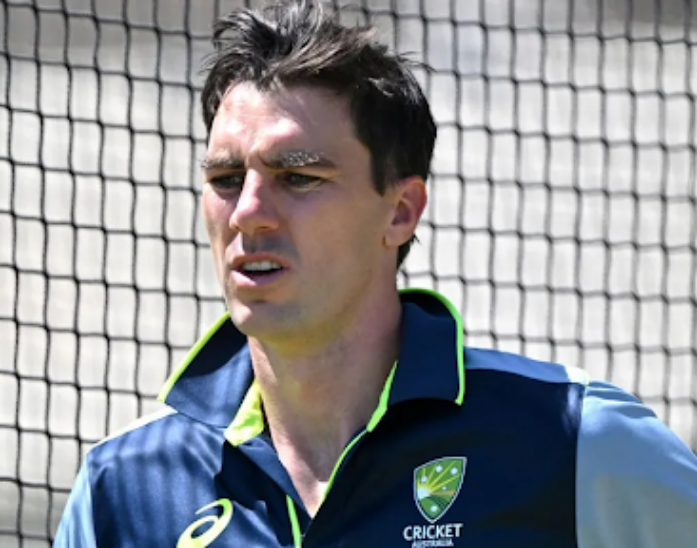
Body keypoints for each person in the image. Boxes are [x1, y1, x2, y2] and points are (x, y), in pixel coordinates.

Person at [53, 1, 697, 546]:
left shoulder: (572, 440)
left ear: (400, 211)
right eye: (225, 178)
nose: (247, 211)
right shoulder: (123, 487)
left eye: (298, 177)